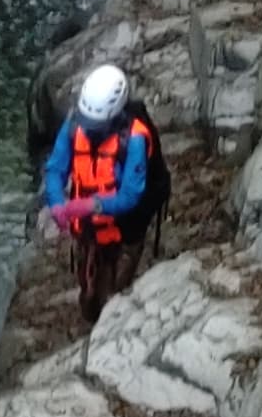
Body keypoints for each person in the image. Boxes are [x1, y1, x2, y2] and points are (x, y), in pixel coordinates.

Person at [41, 61, 168, 328]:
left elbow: (131, 195)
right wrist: (56, 203)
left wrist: (90, 205)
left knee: (115, 292)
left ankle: (111, 323)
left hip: (125, 222)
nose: (89, 129)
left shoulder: (134, 139)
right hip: (89, 223)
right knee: (88, 290)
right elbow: (55, 169)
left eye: (95, 126)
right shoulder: (75, 125)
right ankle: (91, 312)